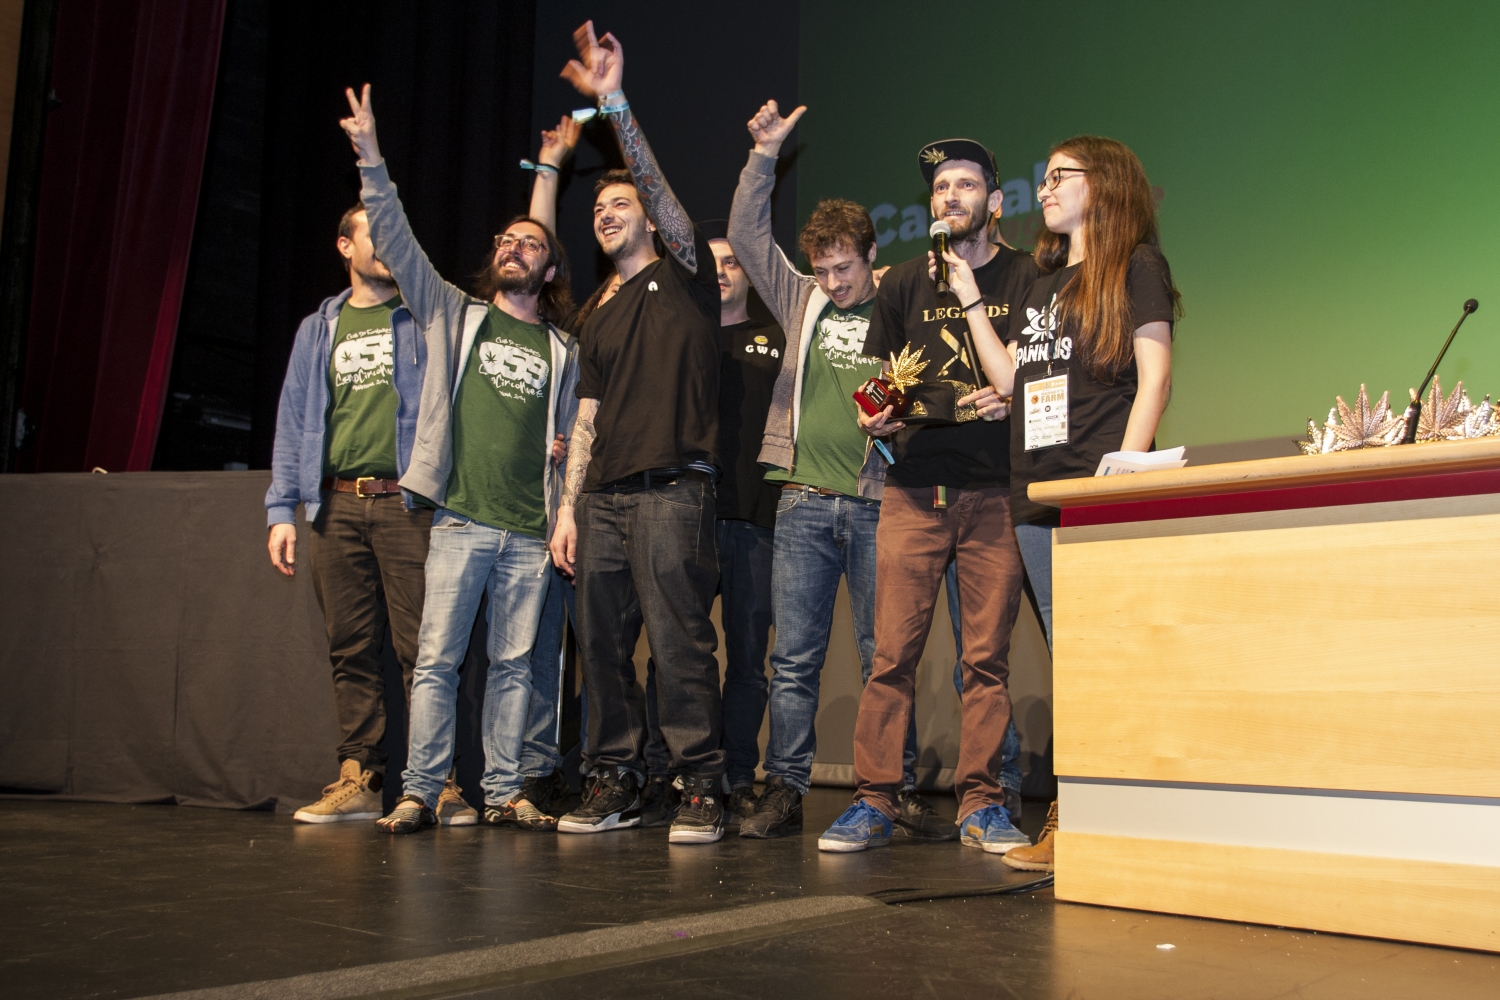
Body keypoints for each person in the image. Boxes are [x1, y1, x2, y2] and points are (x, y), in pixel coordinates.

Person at [338, 84, 580, 835]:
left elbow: (576, 437)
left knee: (513, 668)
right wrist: (370, 157)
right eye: (505, 240)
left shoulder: (564, 348)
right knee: (436, 662)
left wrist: (562, 470)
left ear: (549, 271)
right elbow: (398, 239)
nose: (513, 247)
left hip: (528, 532)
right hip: (462, 523)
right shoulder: (455, 313)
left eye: (529, 244)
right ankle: (419, 790)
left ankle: (504, 790)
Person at [821, 138, 1037, 854]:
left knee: (986, 662)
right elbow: (886, 379)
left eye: (965, 184)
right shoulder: (906, 282)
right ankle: (874, 800)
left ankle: (982, 804)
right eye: (941, 186)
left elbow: (1037, 377)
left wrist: (1014, 398)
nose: (950, 195)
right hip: (913, 490)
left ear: (995, 202)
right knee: (890, 657)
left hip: (994, 492)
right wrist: (874, 414)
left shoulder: (1027, 276)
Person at [727, 101, 934, 841]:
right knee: (793, 660)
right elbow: (747, 237)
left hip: (880, 503)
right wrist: (764, 157)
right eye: (822, 269)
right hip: (804, 502)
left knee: (885, 657)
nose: (833, 281)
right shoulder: (802, 301)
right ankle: (784, 788)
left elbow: (924, 391)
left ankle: (895, 789)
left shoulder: (901, 306)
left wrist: (904, 421)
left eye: (844, 268)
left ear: (871, 255)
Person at [548, 23, 729, 845]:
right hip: (604, 499)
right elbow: (585, 416)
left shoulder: (684, 274)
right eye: (597, 208)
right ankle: (613, 778)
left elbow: (657, 191)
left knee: (681, 645)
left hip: (673, 489)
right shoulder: (597, 315)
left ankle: (699, 785)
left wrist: (614, 101)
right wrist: (568, 509)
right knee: (603, 649)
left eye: (620, 204)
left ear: (649, 220)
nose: (607, 214)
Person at [997, 136, 1179, 872]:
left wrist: (1120, 478)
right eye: (1042, 179)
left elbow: (1155, 377)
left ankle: (1093, 819)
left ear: (1101, 184)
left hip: (1100, 488)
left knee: (1105, 657)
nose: (1043, 189)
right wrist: (971, 298)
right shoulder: (1040, 285)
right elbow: (1015, 380)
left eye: (1058, 176)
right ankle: (1085, 819)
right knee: (1070, 658)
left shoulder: (1138, 265)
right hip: (1034, 490)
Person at [267, 202, 453, 824]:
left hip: (406, 503)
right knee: (349, 647)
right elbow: (293, 418)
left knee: (423, 649)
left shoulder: (423, 320)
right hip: (336, 503)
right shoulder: (319, 327)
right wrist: (282, 508)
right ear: (345, 246)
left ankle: (436, 781)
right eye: (375, 233)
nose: (389, 244)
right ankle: (360, 776)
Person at [641, 219, 784, 827]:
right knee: (672, 654)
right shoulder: (680, 335)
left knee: (749, 661)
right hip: (683, 517)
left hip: (755, 519)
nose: (722, 272)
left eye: (732, 262)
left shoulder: (778, 337)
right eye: (713, 263)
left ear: (750, 273)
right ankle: (665, 772)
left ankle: (738, 776)